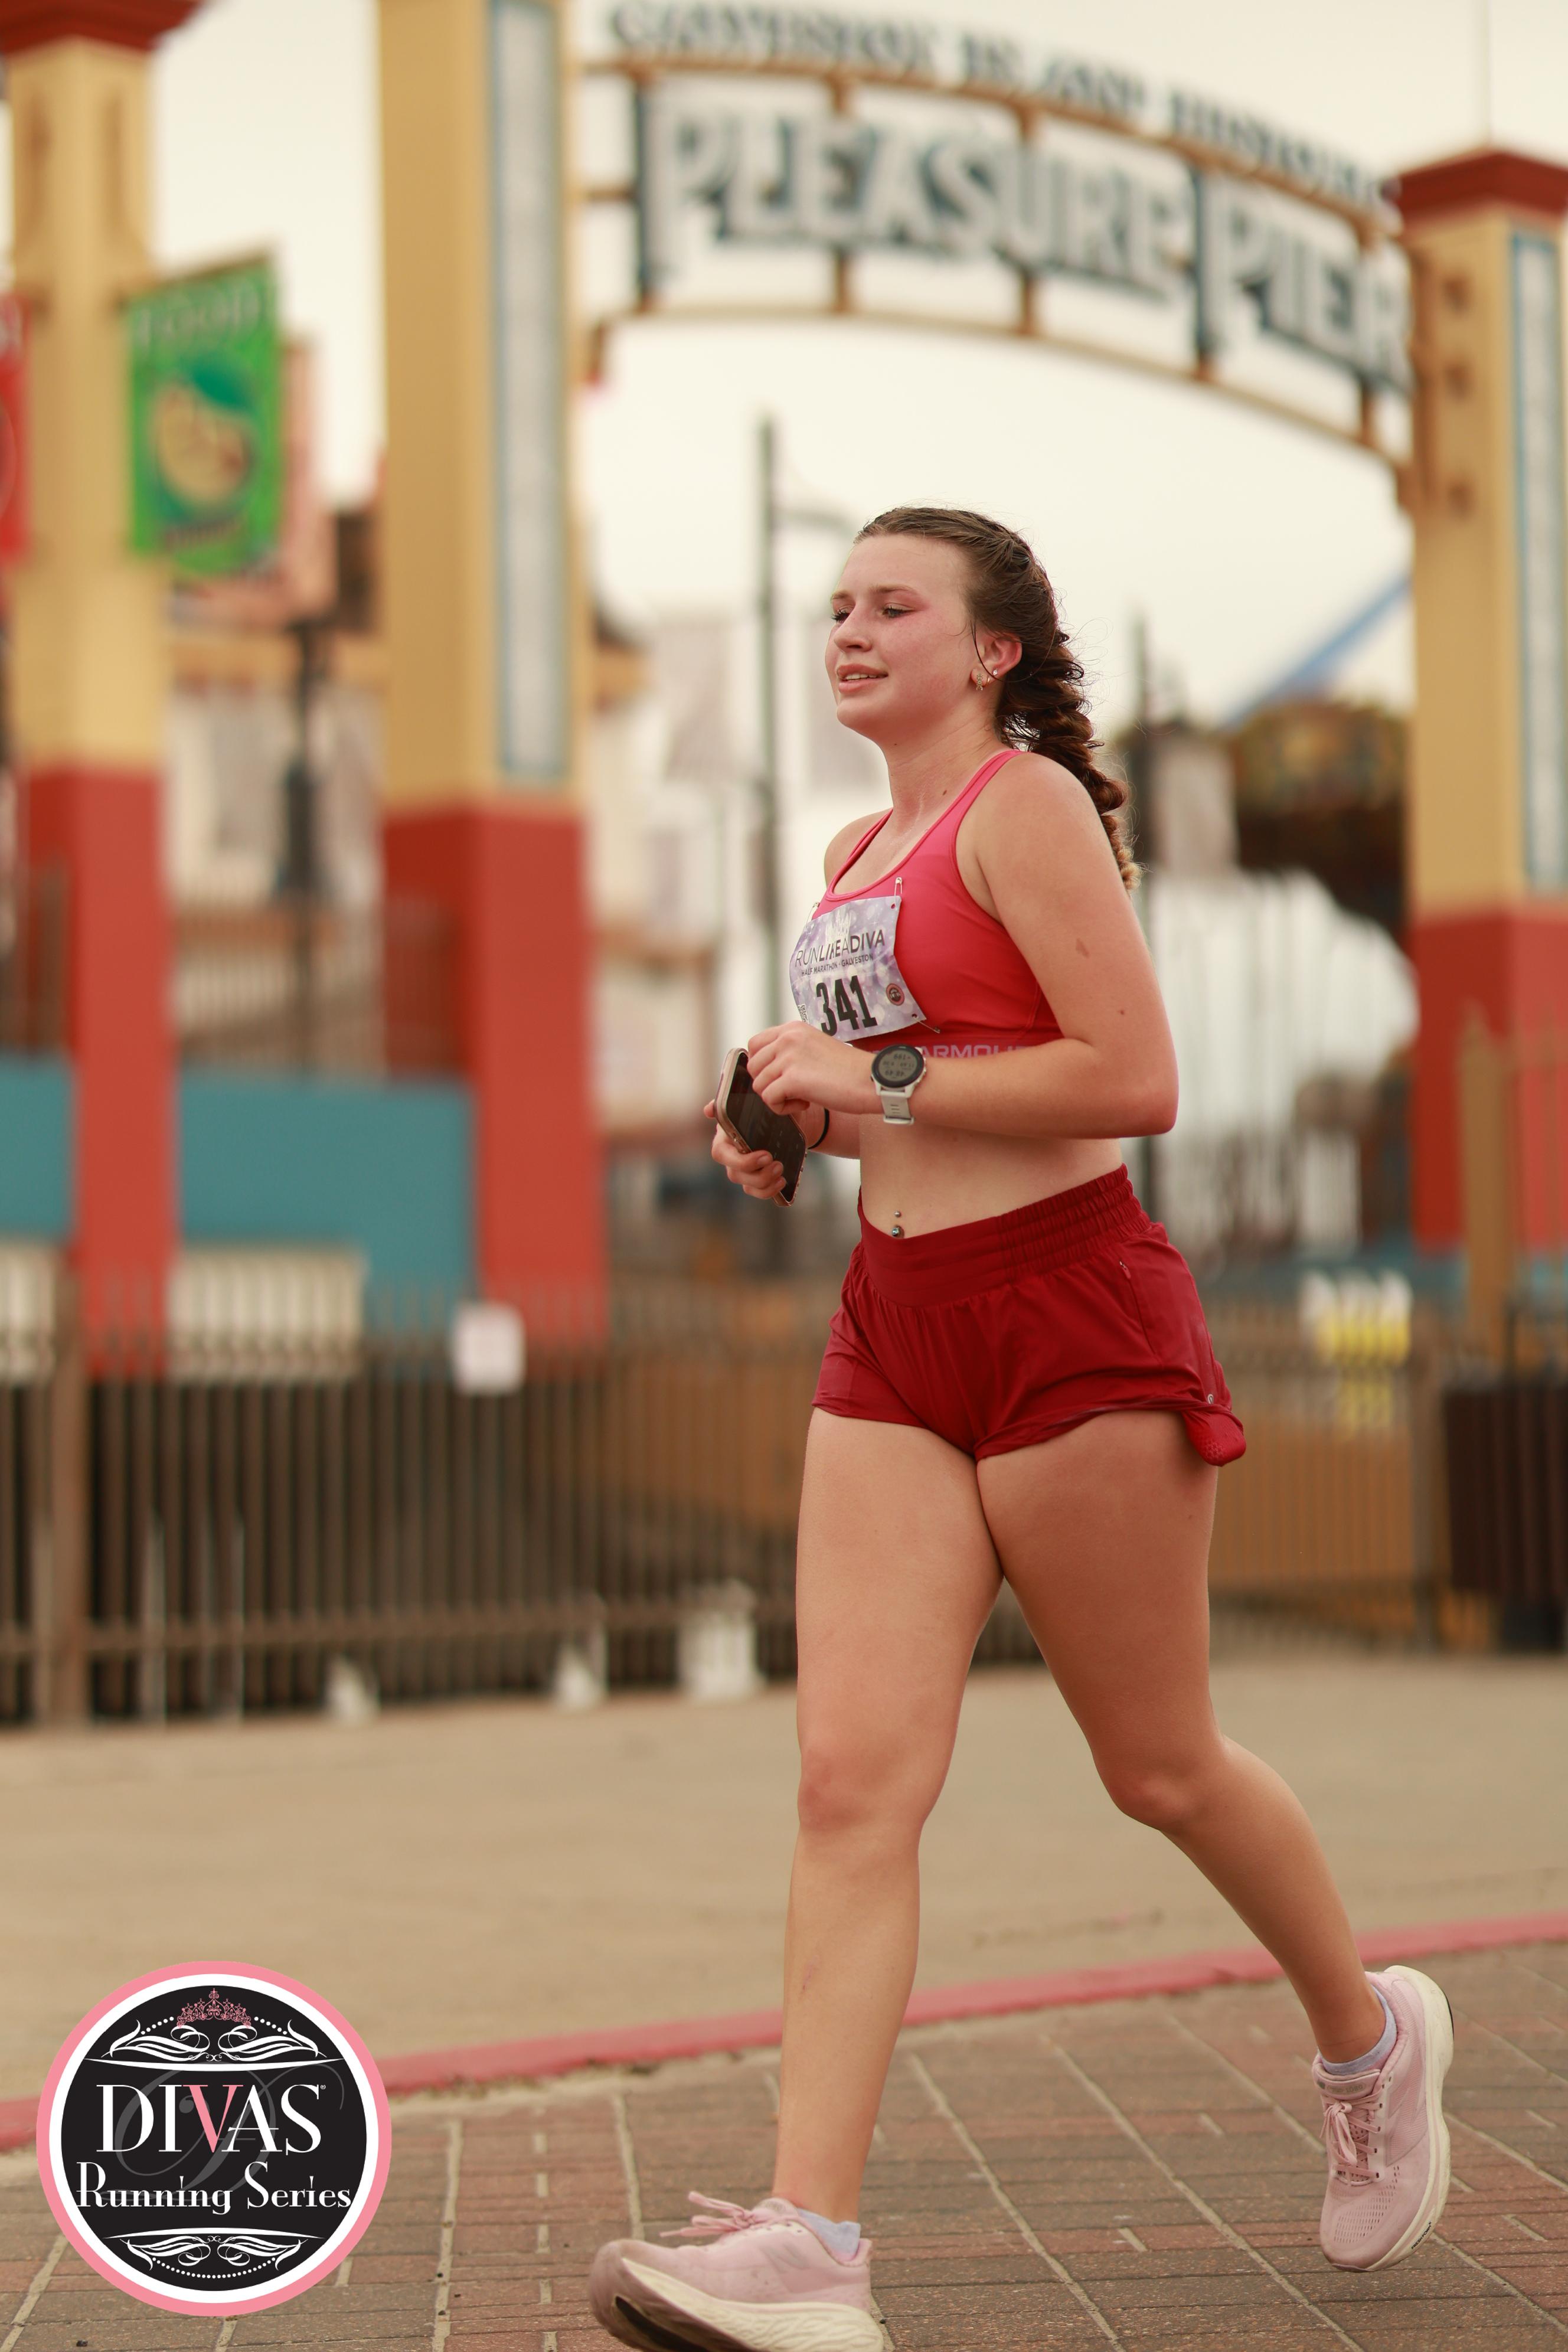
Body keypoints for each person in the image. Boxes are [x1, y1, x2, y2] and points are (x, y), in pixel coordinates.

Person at [589, 509, 1452, 2352]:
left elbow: (1133, 1077)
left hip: (1069, 1313)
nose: (849, 630)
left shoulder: (1028, 805)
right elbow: (898, 1100)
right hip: (895, 1329)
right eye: (836, 606)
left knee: (1160, 1766)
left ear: (989, 651)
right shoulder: (852, 853)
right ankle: (812, 2246)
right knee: (849, 1782)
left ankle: (1371, 2038)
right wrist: (789, 1122)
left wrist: (877, 1074)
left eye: (893, 606)